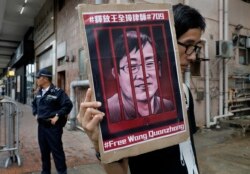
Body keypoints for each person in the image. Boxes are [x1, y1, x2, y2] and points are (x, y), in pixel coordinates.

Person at [77, 3, 206, 174]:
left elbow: (188, 152)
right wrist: (99, 145)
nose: (193, 56)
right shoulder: (112, 114)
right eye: (131, 67)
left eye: (150, 63)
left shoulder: (184, 93)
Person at [108, 30, 174, 123]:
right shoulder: (107, 112)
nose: (143, 75)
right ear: (116, 73)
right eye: (132, 67)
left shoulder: (168, 106)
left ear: (158, 69)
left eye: (150, 63)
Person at [32, 68, 73, 174]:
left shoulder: (57, 92)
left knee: (57, 151)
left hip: (53, 127)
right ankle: (45, 172)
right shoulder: (39, 92)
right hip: (41, 127)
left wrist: (58, 115)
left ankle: (62, 172)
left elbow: (68, 105)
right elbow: (34, 104)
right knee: (44, 151)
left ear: (45, 78)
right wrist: (36, 114)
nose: (37, 80)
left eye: (38, 77)